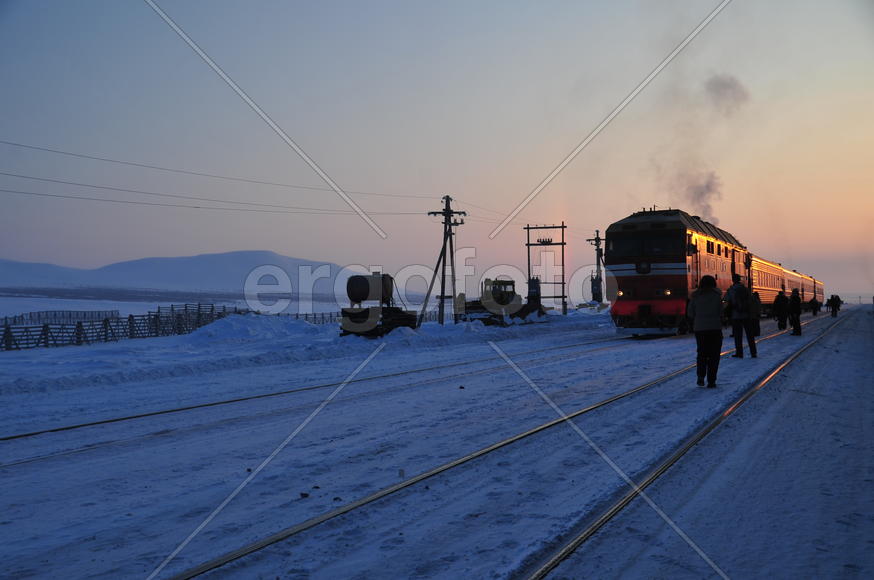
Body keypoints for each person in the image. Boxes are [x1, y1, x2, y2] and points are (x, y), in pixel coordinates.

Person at [687, 275, 723, 388]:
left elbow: (690, 313)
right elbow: (721, 312)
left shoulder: (695, 297)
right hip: (715, 328)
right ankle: (711, 381)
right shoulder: (717, 296)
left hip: (700, 329)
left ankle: (701, 376)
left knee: (702, 354)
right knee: (714, 355)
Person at [724, 273, 757, 358]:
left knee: (738, 336)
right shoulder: (745, 289)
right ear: (739, 280)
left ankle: (739, 353)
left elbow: (726, 300)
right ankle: (753, 352)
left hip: (736, 315)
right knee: (750, 335)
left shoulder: (731, 290)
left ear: (733, 280)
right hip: (746, 315)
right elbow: (751, 301)